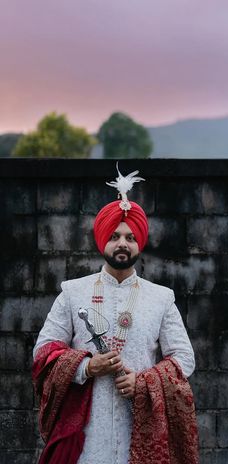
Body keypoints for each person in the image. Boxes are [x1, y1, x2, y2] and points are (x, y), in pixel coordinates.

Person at [32, 165, 198, 464]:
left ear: (139, 244)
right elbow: (43, 352)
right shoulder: (72, 292)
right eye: (115, 236)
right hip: (85, 438)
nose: (123, 243)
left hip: (139, 429)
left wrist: (144, 383)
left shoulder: (161, 297)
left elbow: (184, 358)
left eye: (131, 238)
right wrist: (86, 367)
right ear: (103, 241)